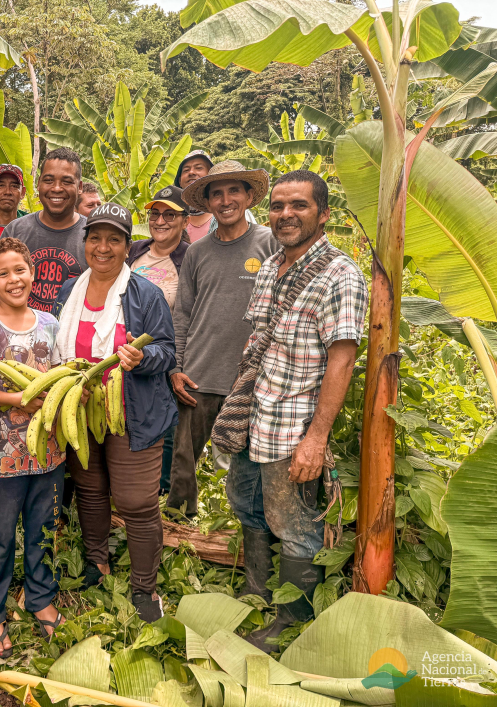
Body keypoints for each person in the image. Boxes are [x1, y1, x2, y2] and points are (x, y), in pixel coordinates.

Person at [229, 170, 367, 651]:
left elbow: (342, 358)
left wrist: (316, 438)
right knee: (247, 505)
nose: (286, 214)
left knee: (296, 529)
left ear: (323, 214)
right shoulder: (271, 265)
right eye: (279, 206)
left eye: (299, 206)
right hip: (255, 416)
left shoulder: (338, 274)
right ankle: (256, 591)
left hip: (293, 427)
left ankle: (290, 621)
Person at [52, 203, 177, 623]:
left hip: (132, 411)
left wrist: (142, 359)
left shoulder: (146, 293)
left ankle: (144, 589)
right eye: (95, 238)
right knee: (90, 489)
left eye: (114, 239)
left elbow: (167, 350)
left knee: (136, 501)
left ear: (127, 246)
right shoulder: (69, 290)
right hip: (82, 409)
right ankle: (96, 561)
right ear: (85, 242)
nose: (103, 247)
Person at [0, 239, 65, 657]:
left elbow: (58, 376)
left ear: (32, 273)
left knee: (43, 533)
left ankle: (41, 599)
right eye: (3, 273)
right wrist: (19, 400)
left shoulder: (49, 323)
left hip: (49, 452)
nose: (13, 279)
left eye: (19, 270)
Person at [169, 161, 278, 521]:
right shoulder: (197, 252)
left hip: (250, 378)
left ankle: (242, 533)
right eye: (217, 193)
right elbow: (182, 314)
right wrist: (177, 368)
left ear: (249, 197)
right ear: (209, 202)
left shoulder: (269, 243)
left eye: (234, 191)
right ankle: (179, 529)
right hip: (199, 374)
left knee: (247, 462)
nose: (226, 200)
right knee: (184, 461)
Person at [126, 185, 190, 498]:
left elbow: (195, 312)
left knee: (168, 432)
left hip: (169, 355)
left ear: (184, 220)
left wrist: (179, 363)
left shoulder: (189, 258)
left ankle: (161, 495)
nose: (160, 221)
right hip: (129, 354)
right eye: (155, 214)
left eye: (169, 214)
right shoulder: (134, 251)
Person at [0, 147, 88, 312]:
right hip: (21, 333)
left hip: (75, 334)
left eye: (66, 181)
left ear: (79, 187)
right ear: (38, 184)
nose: (56, 188)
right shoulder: (16, 231)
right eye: (49, 180)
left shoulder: (92, 235)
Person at [175, 151, 214, 242]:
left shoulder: (231, 210)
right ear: (180, 181)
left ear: (211, 176)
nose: (191, 172)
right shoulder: (169, 216)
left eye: (199, 168)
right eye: (186, 170)